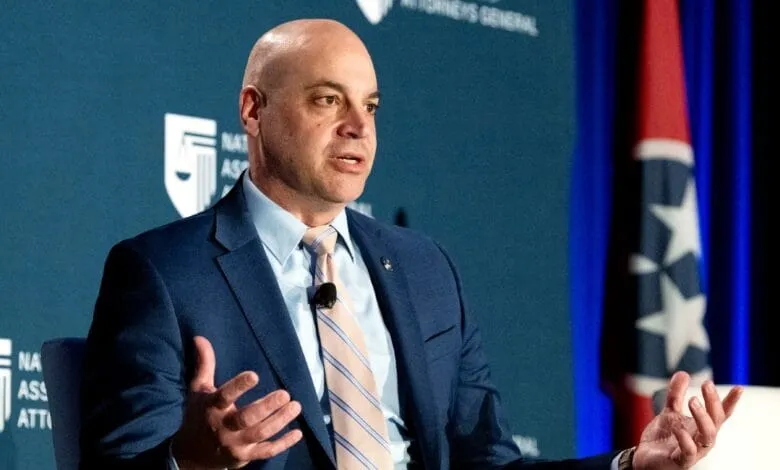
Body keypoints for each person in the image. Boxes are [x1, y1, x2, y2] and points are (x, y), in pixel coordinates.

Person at [79, 18, 742, 470]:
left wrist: (631, 461)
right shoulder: (163, 274)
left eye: (370, 107)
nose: (356, 128)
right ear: (252, 110)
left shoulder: (425, 269)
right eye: (325, 100)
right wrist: (186, 461)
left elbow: (489, 461)